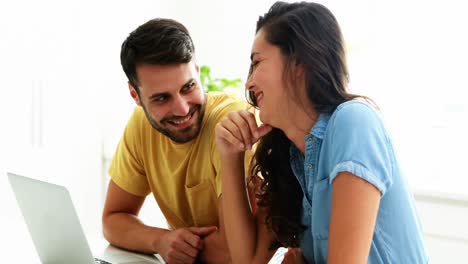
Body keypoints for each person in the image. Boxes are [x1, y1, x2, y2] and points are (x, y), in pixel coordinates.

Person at [215, 1, 429, 263]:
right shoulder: (292, 156)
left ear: (299, 63)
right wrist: (230, 156)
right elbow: (247, 260)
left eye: (257, 62)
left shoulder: (354, 121)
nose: (249, 82)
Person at [102, 18, 248, 264]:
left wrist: (180, 247)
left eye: (188, 87)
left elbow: (234, 250)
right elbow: (113, 219)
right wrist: (161, 240)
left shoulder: (231, 123)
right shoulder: (141, 125)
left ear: (198, 73)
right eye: (161, 98)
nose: (181, 109)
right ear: (135, 95)